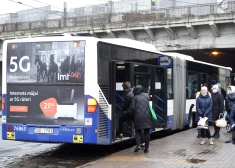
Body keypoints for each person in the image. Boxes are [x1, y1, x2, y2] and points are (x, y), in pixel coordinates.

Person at [130, 85, 153, 153]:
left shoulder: (135, 97)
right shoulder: (146, 96)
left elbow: (133, 108)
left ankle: (138, 145)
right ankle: (146, 149)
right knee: (147, 132)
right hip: (147, 116)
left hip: (138, 117)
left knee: (137, 131)